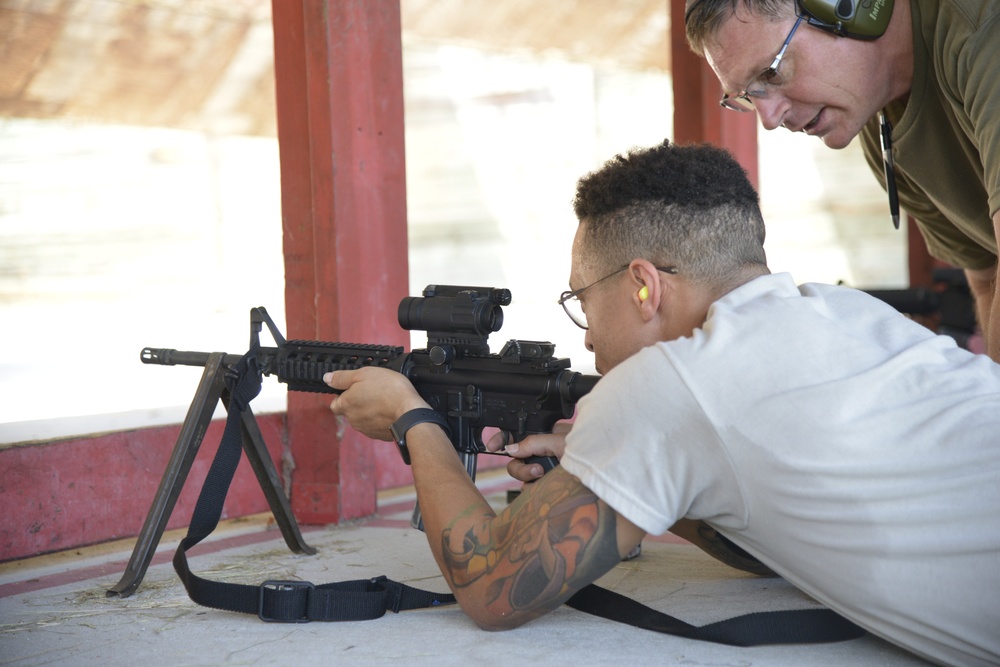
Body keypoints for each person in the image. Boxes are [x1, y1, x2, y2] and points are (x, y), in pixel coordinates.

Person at [325, 140, 1000, 667]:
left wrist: (414, 421)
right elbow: (773, 541)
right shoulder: (845, 311)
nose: (585, 330)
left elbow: (493, 587)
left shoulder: (673, 381)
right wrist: (627, 474)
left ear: (643, 287)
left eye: (583, 298)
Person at [682, 0, 1000, 362]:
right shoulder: (881, 129)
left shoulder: (982, 28)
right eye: (748, 96)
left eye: (771, 73)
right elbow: (986, 272)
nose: (768, 119)